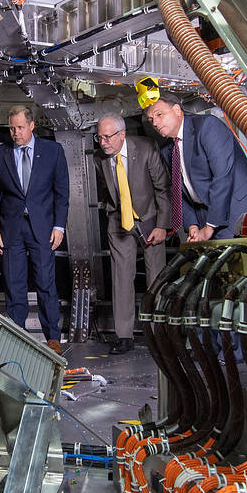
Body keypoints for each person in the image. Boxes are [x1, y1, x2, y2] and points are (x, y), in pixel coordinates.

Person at [0, 105, 69, 354]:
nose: (16, 133)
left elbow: (62, 192)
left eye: (20, 127)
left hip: (43, 228)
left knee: (46, 282)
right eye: (12, 128)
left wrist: (58, 226)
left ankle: (52, 338)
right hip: (11, 229)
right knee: (14, 284)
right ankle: (17, 336)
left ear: (32, 125)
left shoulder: (53, 151)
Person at [94, 114, 169, 354]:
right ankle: (124, 336)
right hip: (119, 221)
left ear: (122, 134)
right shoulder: (99, 159)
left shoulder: (146, 148)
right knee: (121, 277)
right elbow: (108, 190)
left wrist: (162, 225)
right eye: (99, 137)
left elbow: (163, 189)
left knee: (155, 276)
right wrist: (112, 213)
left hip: (150, 218)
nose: (103, 142)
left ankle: (158, 334)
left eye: (107, 137)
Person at [146, 94, 247, 241]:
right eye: (151, 120)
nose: (155, 123)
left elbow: (222, 177)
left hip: (236, 212)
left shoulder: (207, 126)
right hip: (205, 217)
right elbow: (179, 191)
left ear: (176, 110)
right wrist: (192, 225)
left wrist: (209, 227)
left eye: (159, 114)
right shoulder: (168, 150)